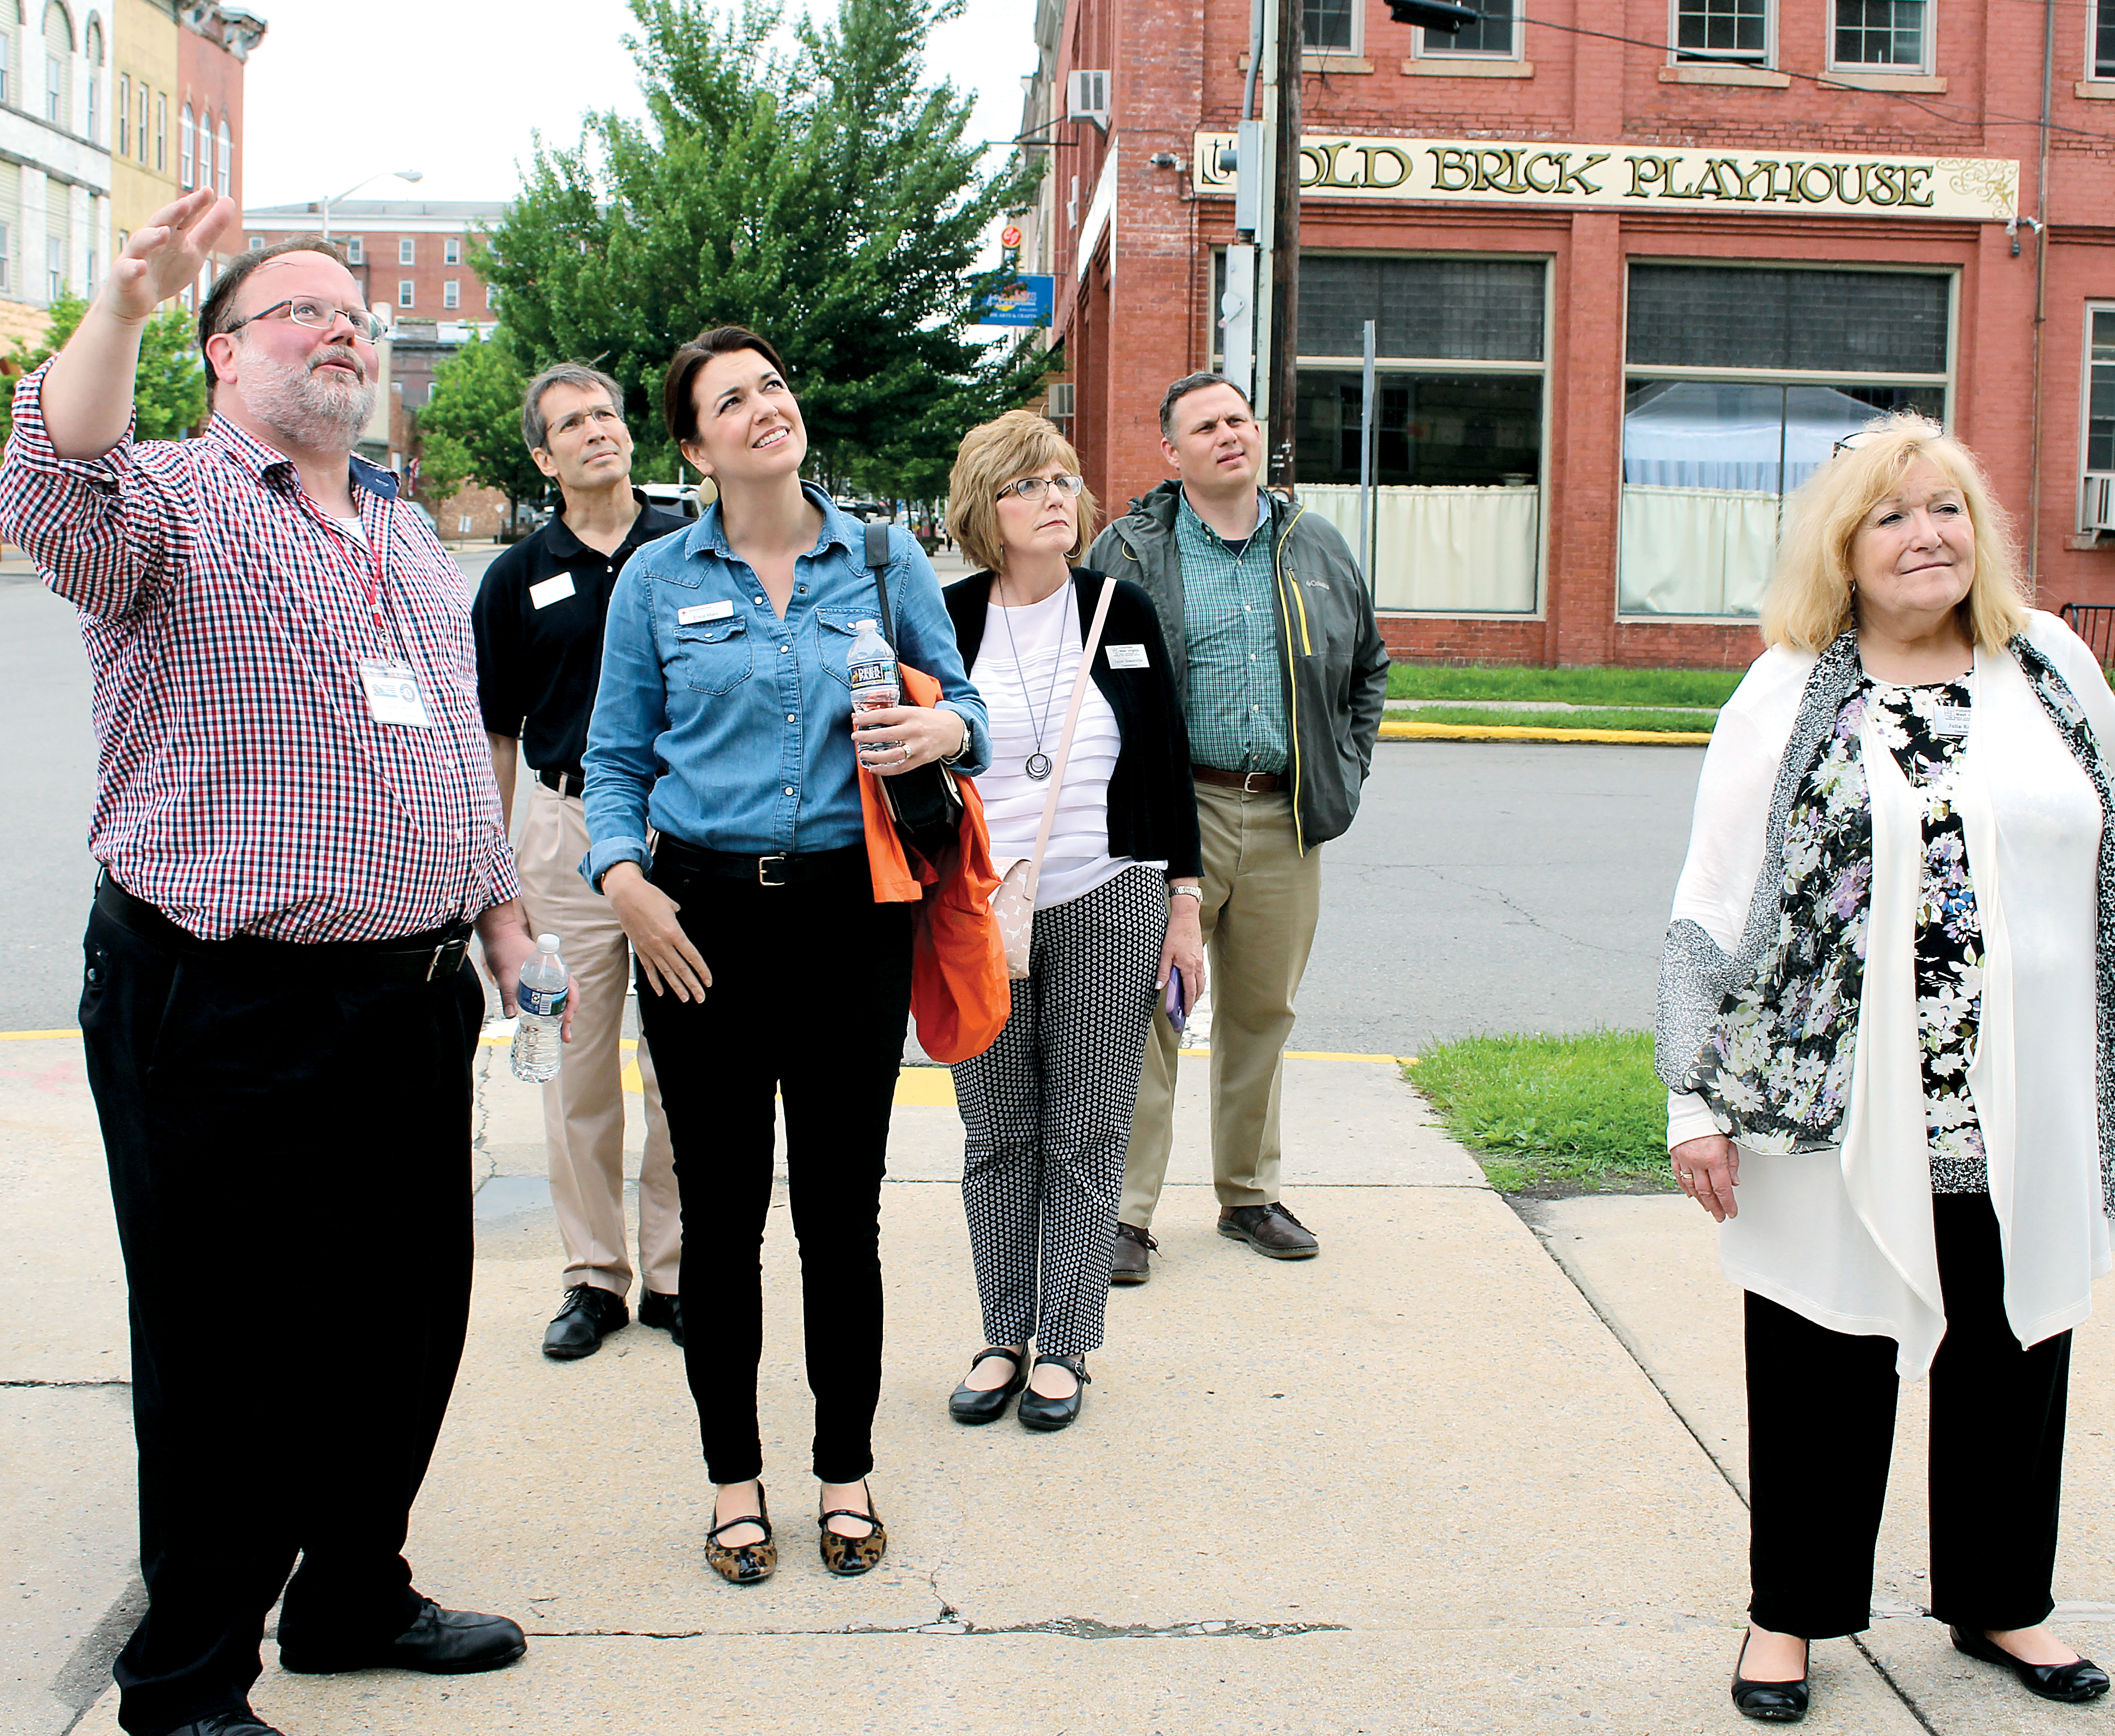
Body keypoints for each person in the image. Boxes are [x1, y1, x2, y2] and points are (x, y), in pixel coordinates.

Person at [0, 193, 539, 1736]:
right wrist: (117, 304)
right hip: (214, 1000)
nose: (342, 326)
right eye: (300, 307)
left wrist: (495, 909)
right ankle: (183, 1684)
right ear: (223, 357)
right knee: (225, 1350)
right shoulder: (161, 499)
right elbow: (48, 478)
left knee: (400, 1316)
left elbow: (443, 748)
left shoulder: (408, 528)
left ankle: (351, 1594)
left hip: (407, 995)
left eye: (353, 312)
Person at [1657, 415, 2115, 1722]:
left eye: (1950, 509)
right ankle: (1789, 1619)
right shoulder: (1790, 688)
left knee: (2015, 1348)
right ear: (1844, 550)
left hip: (2020, 1103)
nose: (1929, 536)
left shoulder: (2056, 671)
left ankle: (2000, 1599)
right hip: (1836, 1104)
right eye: (1893, 515)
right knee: (1819, 1356)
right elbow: (1712, 899)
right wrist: (1695, 1094)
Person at [581, 326, 989, 1584]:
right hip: (697, 923)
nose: (767, 406)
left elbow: (966, 709)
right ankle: (732, 1481)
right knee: (718, 1222)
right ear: (696, 446)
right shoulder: (656, 579)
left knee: (839, 1216)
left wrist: (938, 740)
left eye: (774, 384)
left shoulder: (881, 556)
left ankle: (845, 1468)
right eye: (733, 399)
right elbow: (612, 761)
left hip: (849, 919)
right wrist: (626, 882)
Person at [1086, 372, 1390, 1282]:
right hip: (1172, 811)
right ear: (1172, 454)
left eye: (1239, 420)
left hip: (1285, 815)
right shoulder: (1131, 550)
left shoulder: (1315, 544)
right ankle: (1124, 1214)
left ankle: (1248, 1196)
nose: (1229, 435)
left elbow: (1367, 667)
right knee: (1146, 1014)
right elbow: (1088, 679)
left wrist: (1345, 765)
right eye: (1205, 427)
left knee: (1262, 1013)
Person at [937, 411, 1203, 1432]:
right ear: (985, 509)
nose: (1057, 498)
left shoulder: (1120, 611)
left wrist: (1183, 903)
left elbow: (1166, 767)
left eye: (1065, 479)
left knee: (1086, 1133)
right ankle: (1003, 1331)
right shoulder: (948, 615)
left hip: (1112, 892)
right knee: (996, 1131)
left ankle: (1067, 1344)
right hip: (975, 908)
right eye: (1029, 484)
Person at [473, 363, 685, 1360]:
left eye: (606, 414)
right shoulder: (518, 578)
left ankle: (678, 1273)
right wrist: (498, 877)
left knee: (685, 1067)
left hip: (682, 832)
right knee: (570, 1068)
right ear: (541, 454)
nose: (598, 431)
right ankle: (593, 1276)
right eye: (573, 423)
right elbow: (496, 740)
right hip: (560, 840)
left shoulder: (689, 549)